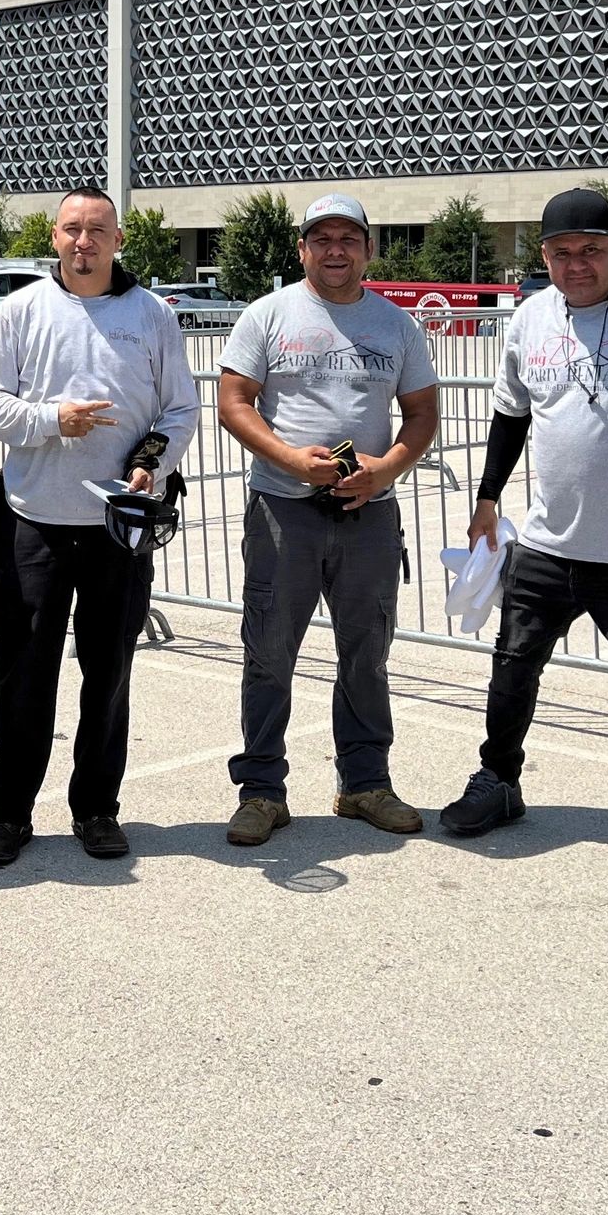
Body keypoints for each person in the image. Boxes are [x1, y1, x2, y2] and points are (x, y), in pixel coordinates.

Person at [440, 189, 608, 881]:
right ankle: (499, 780)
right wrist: (486, 496)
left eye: (591, 249)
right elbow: (511, 415)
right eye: (561, 252)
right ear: (543, 257)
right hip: (545, 543)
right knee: (512, 666)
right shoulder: (530, 317)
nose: (577, 264)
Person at [0, 188, 198, 866]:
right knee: (23, 675)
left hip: (116, 529)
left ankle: (97, 807)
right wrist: (49, 421)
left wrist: (150, 461)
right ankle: (9, 813)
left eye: (98, 230)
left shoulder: (151, 314)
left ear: (119, 239)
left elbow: (179, 409)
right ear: (54, 235)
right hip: (32, 523)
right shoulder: (22, 310)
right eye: (72, 229)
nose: (84, 242)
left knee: (109, 672)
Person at [216, 195, 440, 846]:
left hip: (368, 511)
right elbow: (234, 402)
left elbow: (422, 414)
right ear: (302, 248)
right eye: (322, 238)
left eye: (348, 238)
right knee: (268, 654)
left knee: (367, 654)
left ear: (368, 249)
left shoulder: (397, 326)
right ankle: (261, 791)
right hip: (283, 512)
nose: (335, 249)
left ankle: (365, 783)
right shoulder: (268, 316)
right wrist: (289, 459)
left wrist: (387, 469)